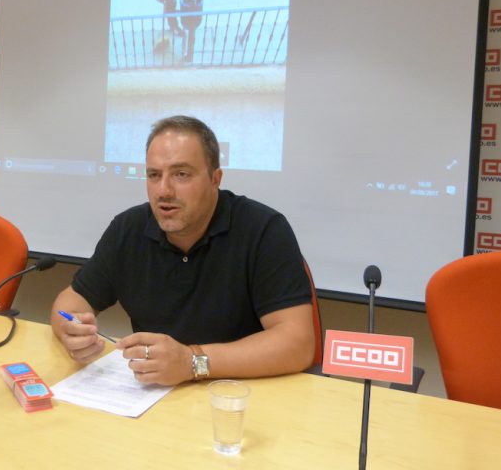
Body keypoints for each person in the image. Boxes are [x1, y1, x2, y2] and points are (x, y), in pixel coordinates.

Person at [51, 116, 315, 386]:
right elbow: (71, 301)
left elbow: (298, 343)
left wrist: (192, 362)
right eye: (154, 175)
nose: (164, 191)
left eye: (181, 174)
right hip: (152, 395)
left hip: (239, 394)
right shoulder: (128, 229)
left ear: (215, 179)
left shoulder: (263, 229)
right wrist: (71, 330)